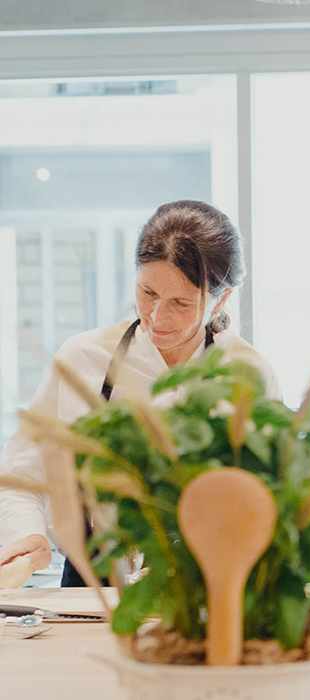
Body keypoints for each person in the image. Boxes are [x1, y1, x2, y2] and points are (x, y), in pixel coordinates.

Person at [0, 200, 279, 586]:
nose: (157, 317)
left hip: (207, 586)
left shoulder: (247, 373)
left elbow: (271, 498)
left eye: (181, 303)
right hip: (92, 588)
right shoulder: (83, 358)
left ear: (223, 298)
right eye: (147, 292)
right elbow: (20, 476)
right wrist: (26, 537)